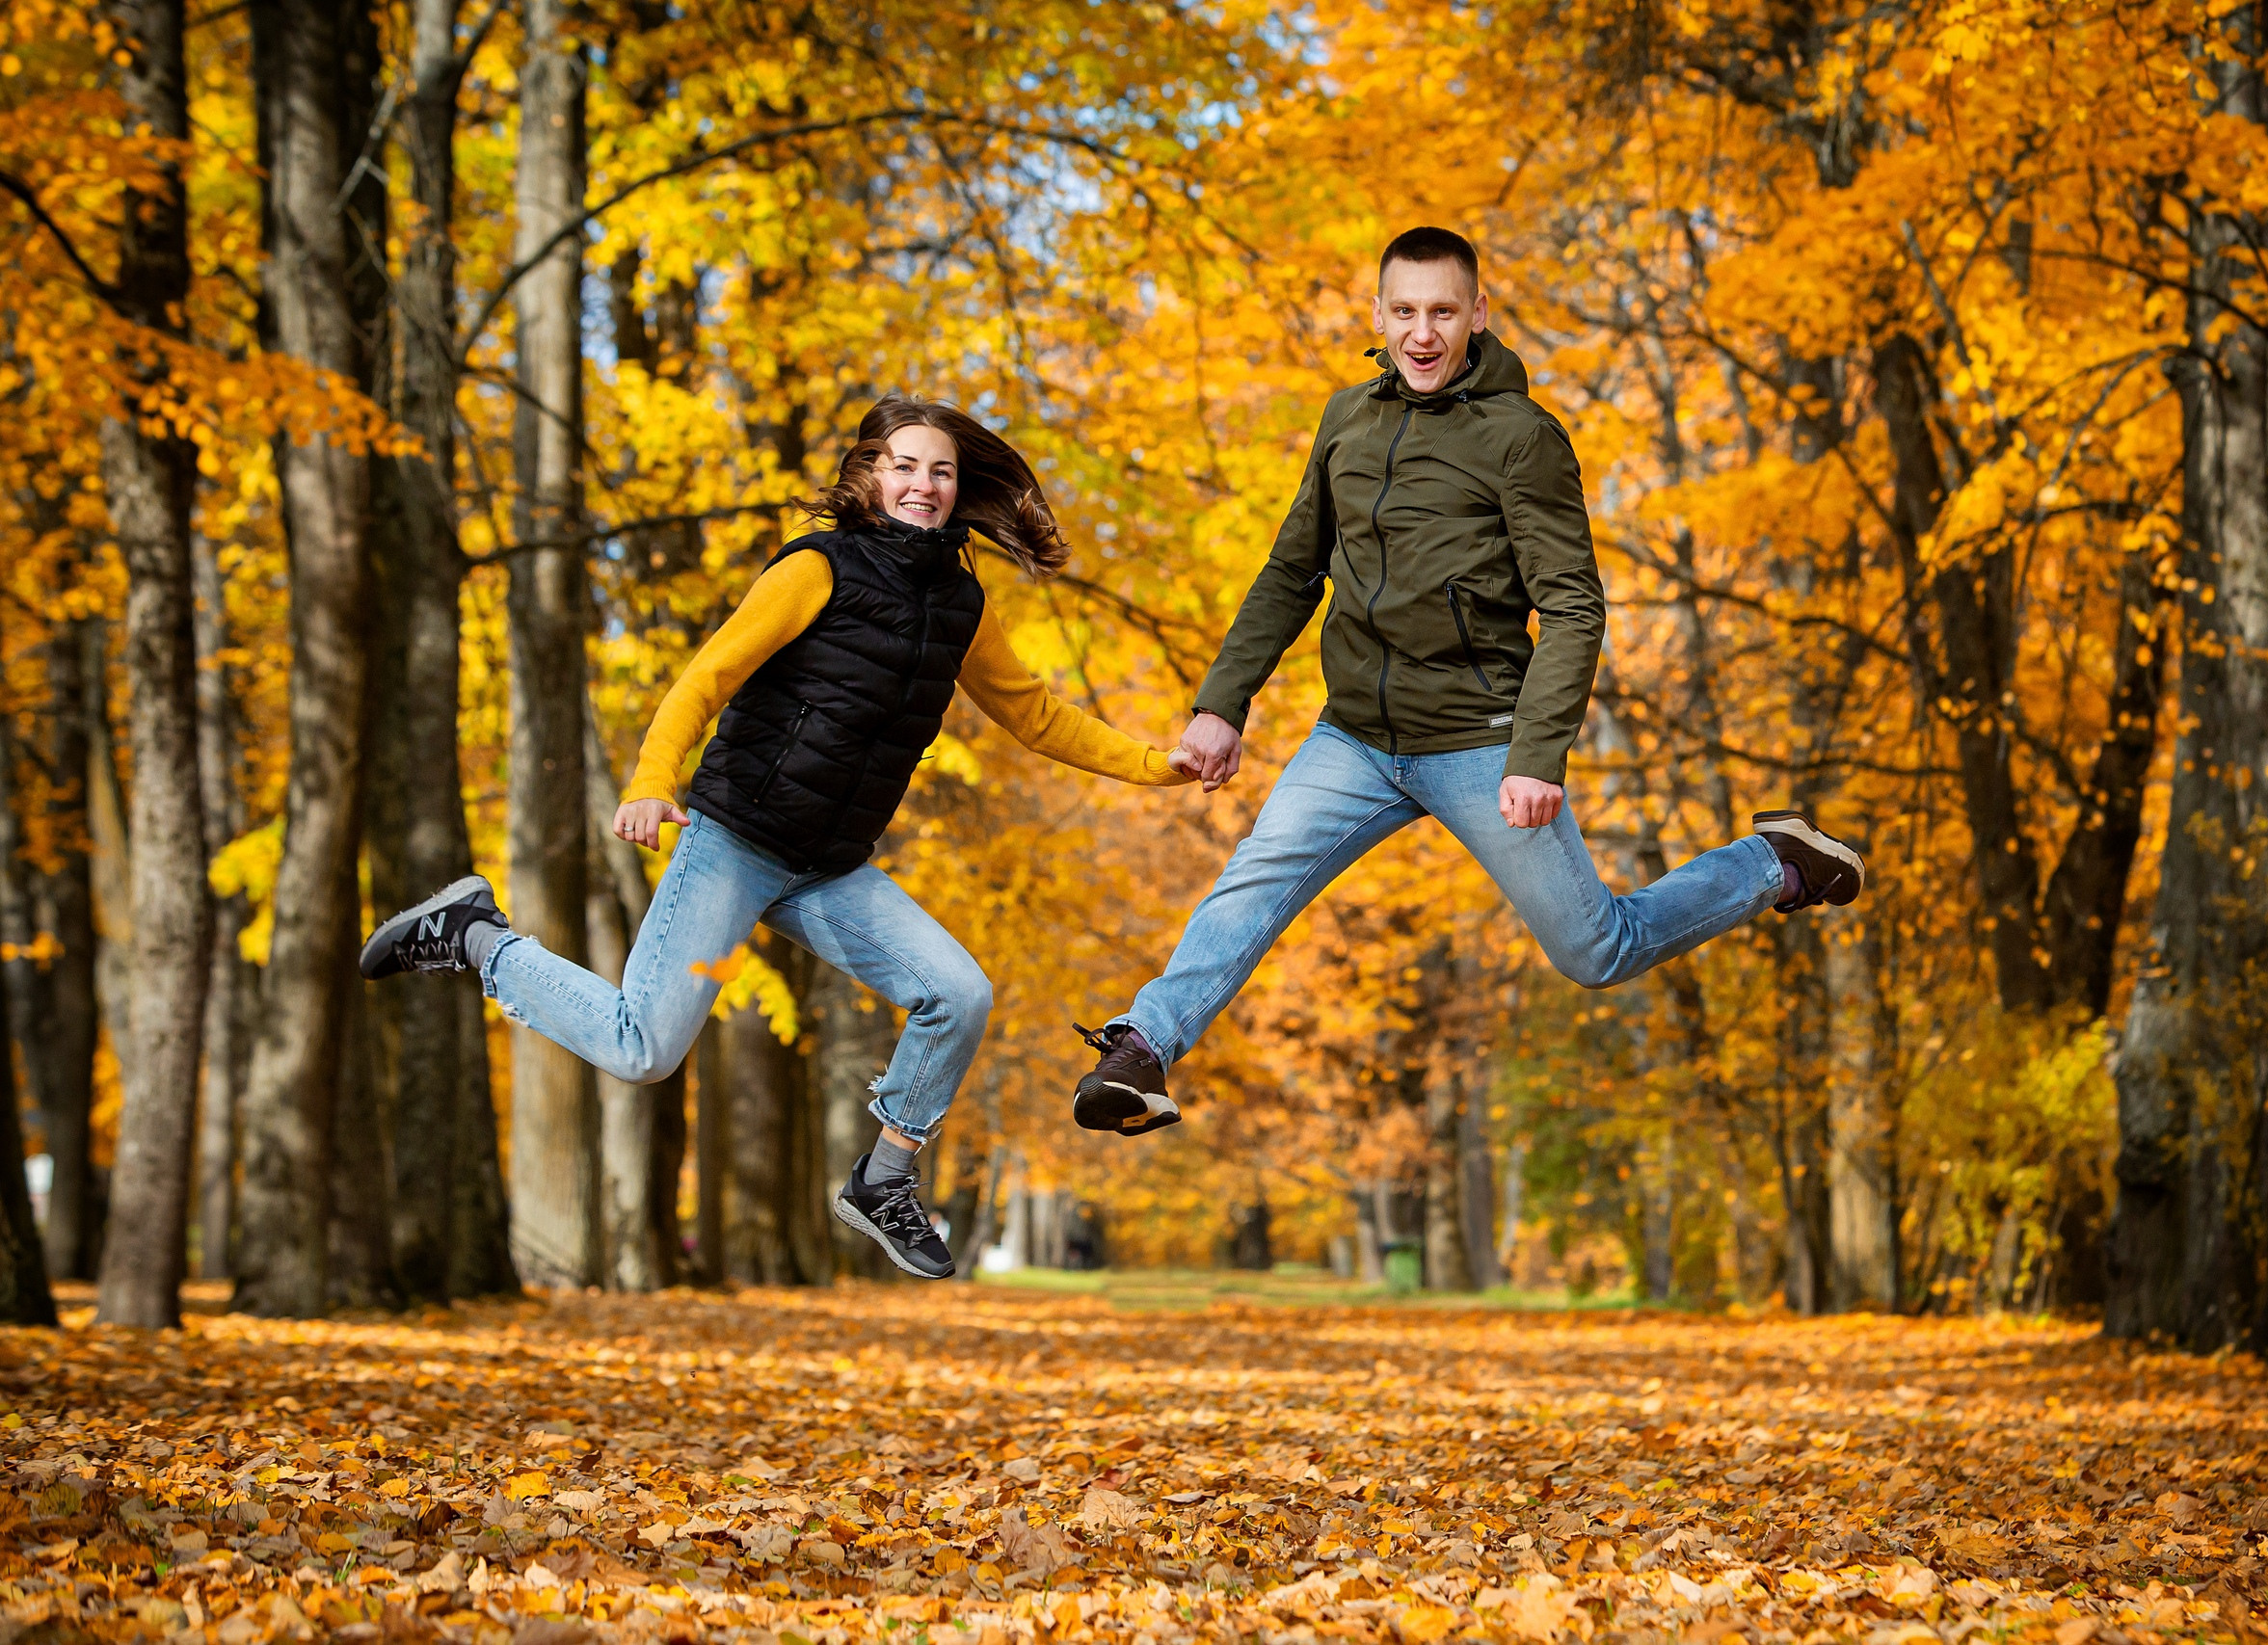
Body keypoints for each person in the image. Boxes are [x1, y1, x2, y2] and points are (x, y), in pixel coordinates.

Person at [361, 394, 1194, 1278]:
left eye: (941, 471)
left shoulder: (961, 602)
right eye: (906, 466)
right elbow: (703, 678)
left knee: (960, 992)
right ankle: (473, 934)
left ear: (958, 490)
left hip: (830, 868)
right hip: (734, 841)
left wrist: (1156, 764)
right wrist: (652, 780)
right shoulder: (816, 569)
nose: (924, 484)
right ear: (870, 474)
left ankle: (884, 1179)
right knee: (641, 1047)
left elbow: (1035, 715)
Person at [1070, 227, 1865, 1136]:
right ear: (1377, 315)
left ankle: (1775, 863)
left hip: (1483, 742)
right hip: (1355, 738)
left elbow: (1572, 609)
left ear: (1477, 314)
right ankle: (1142, 1048)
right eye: (1403, 311)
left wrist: (1536, 755)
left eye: (1442, 311)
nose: (1421, 332)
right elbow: (1293, 570)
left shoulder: (1522, 439)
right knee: (1251, 881)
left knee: (1596, 949)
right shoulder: (1346, 420)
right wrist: (1222, 702)